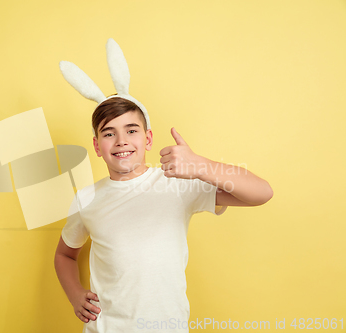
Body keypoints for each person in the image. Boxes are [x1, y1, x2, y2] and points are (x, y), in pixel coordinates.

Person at [54, 97, 273, 332]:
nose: (121, 141)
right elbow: (65, 255)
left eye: (131, 130)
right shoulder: (86, 199)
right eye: (109, 134)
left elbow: (261, 193)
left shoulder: (176, 182)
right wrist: (75, 294)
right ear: (97, 146)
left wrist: (200, 165)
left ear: (148, 139)